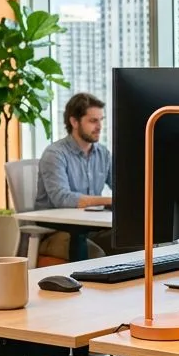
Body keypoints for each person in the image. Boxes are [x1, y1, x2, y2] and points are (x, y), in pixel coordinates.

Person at [36, 92, 116, 260]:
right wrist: (109, 201)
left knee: (133, 242)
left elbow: (121, 187)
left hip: (90, 227)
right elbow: (62, 198)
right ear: (74, 122)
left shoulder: (103, 153)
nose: (100, 126)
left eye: (101, 120)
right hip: (57, 231)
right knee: (94, 252)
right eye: (93, 121)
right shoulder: (55, 154)